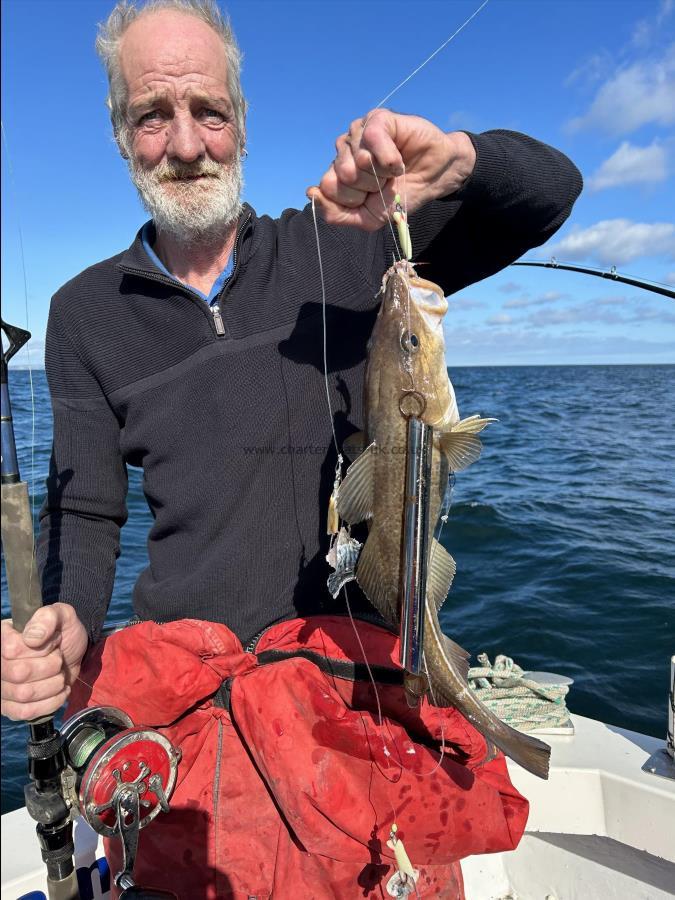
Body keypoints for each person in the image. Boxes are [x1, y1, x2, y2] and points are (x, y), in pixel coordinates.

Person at [1, 1, 582, 896]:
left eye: (209, 110)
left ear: (242, 120)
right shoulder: (84, 314)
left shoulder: (348, 245)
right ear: (120, 134)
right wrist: (73, 616)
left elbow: (548, 195)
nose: (186, 142)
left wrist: (458, 158)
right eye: (152, 115)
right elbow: (84, 506)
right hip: (191, 696)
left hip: (351, 671)